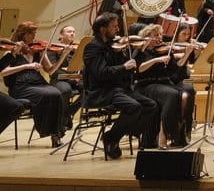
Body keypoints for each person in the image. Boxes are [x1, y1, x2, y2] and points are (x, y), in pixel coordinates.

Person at [82, 12, 159, 159]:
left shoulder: (115, 45)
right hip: (101, 91)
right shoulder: (93, 47)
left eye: (117, 26)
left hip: (118, 89)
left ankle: (113, 136)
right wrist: (123, 67)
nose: (118, 29)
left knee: (150, 106)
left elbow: (131, 67)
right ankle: (113, 138)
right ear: (103, 29)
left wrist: (140, 51)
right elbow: (102, 73)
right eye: (114, 26)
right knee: (134, 107)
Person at [0, 22, 67, 147]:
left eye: (35, 34)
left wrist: (63, 55)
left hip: (38, 83)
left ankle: (56, 135)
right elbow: (3, 72)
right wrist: (26, 66)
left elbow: (50, 70)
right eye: (32, 34)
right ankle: (52, 133)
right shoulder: (12, 50)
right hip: (20, 86)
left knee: (57, 93)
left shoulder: (38, 50)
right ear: (23, 34)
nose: (34, 37)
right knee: (49, 94)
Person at [133, 23, 196, 148]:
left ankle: (179, 132)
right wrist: (156, 60)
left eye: (161, 34)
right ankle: (164, 135)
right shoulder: (140, 51)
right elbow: (138, 69)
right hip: (147, 85)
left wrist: (187, 53)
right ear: (147, 36)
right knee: (172, 95)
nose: (160, 37)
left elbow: (176, 67)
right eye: (156, 35)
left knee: (186, 96)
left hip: (164, 83)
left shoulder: (164, 50)